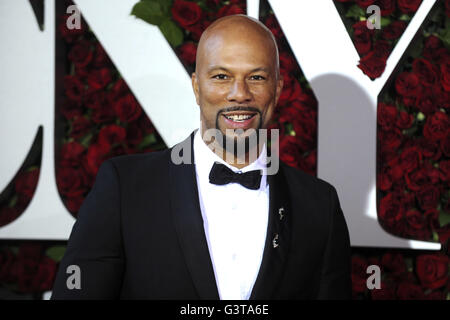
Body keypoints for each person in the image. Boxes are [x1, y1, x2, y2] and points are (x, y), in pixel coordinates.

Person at [51, 14, 351, 300]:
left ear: (277, 89)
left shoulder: (318, 205)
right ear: (196, 87)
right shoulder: (125, 188)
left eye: (257, 77)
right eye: (222, 76)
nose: (239, 93)